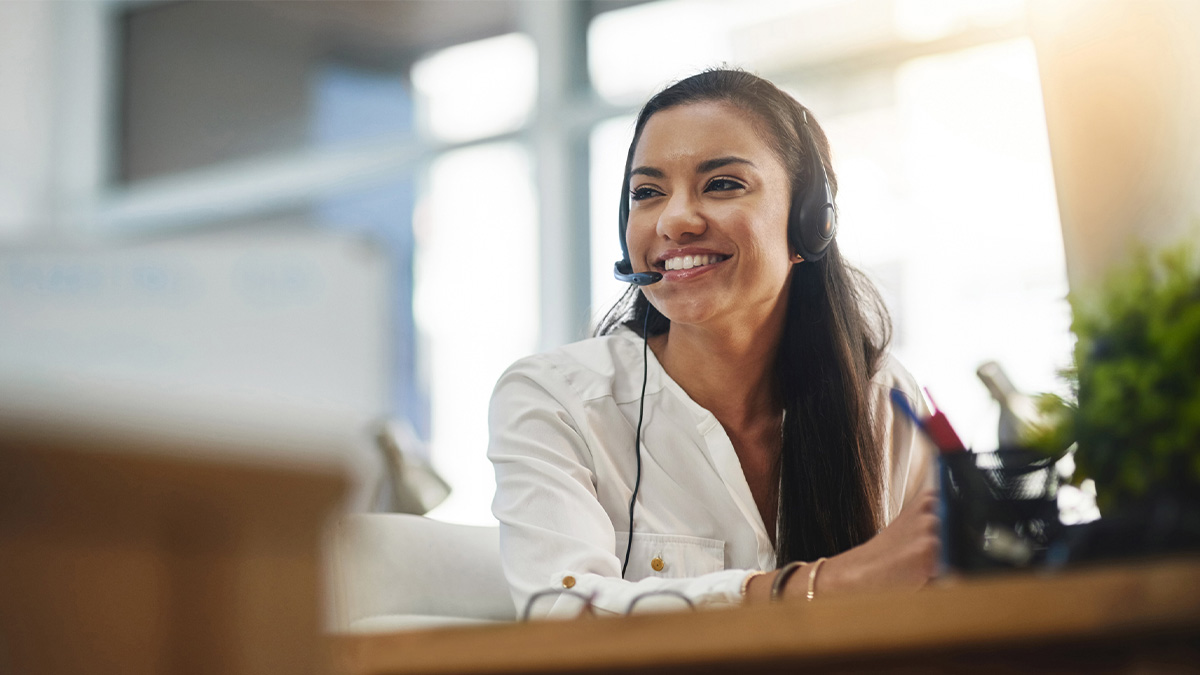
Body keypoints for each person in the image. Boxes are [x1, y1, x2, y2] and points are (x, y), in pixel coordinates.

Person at [488, 69, 939, 618]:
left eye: (722, 184)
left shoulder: (885, 398)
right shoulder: (556, 399)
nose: (675, 221)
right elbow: (561, 612)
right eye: (647, 193)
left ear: (810, 221)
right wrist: (824, 585)